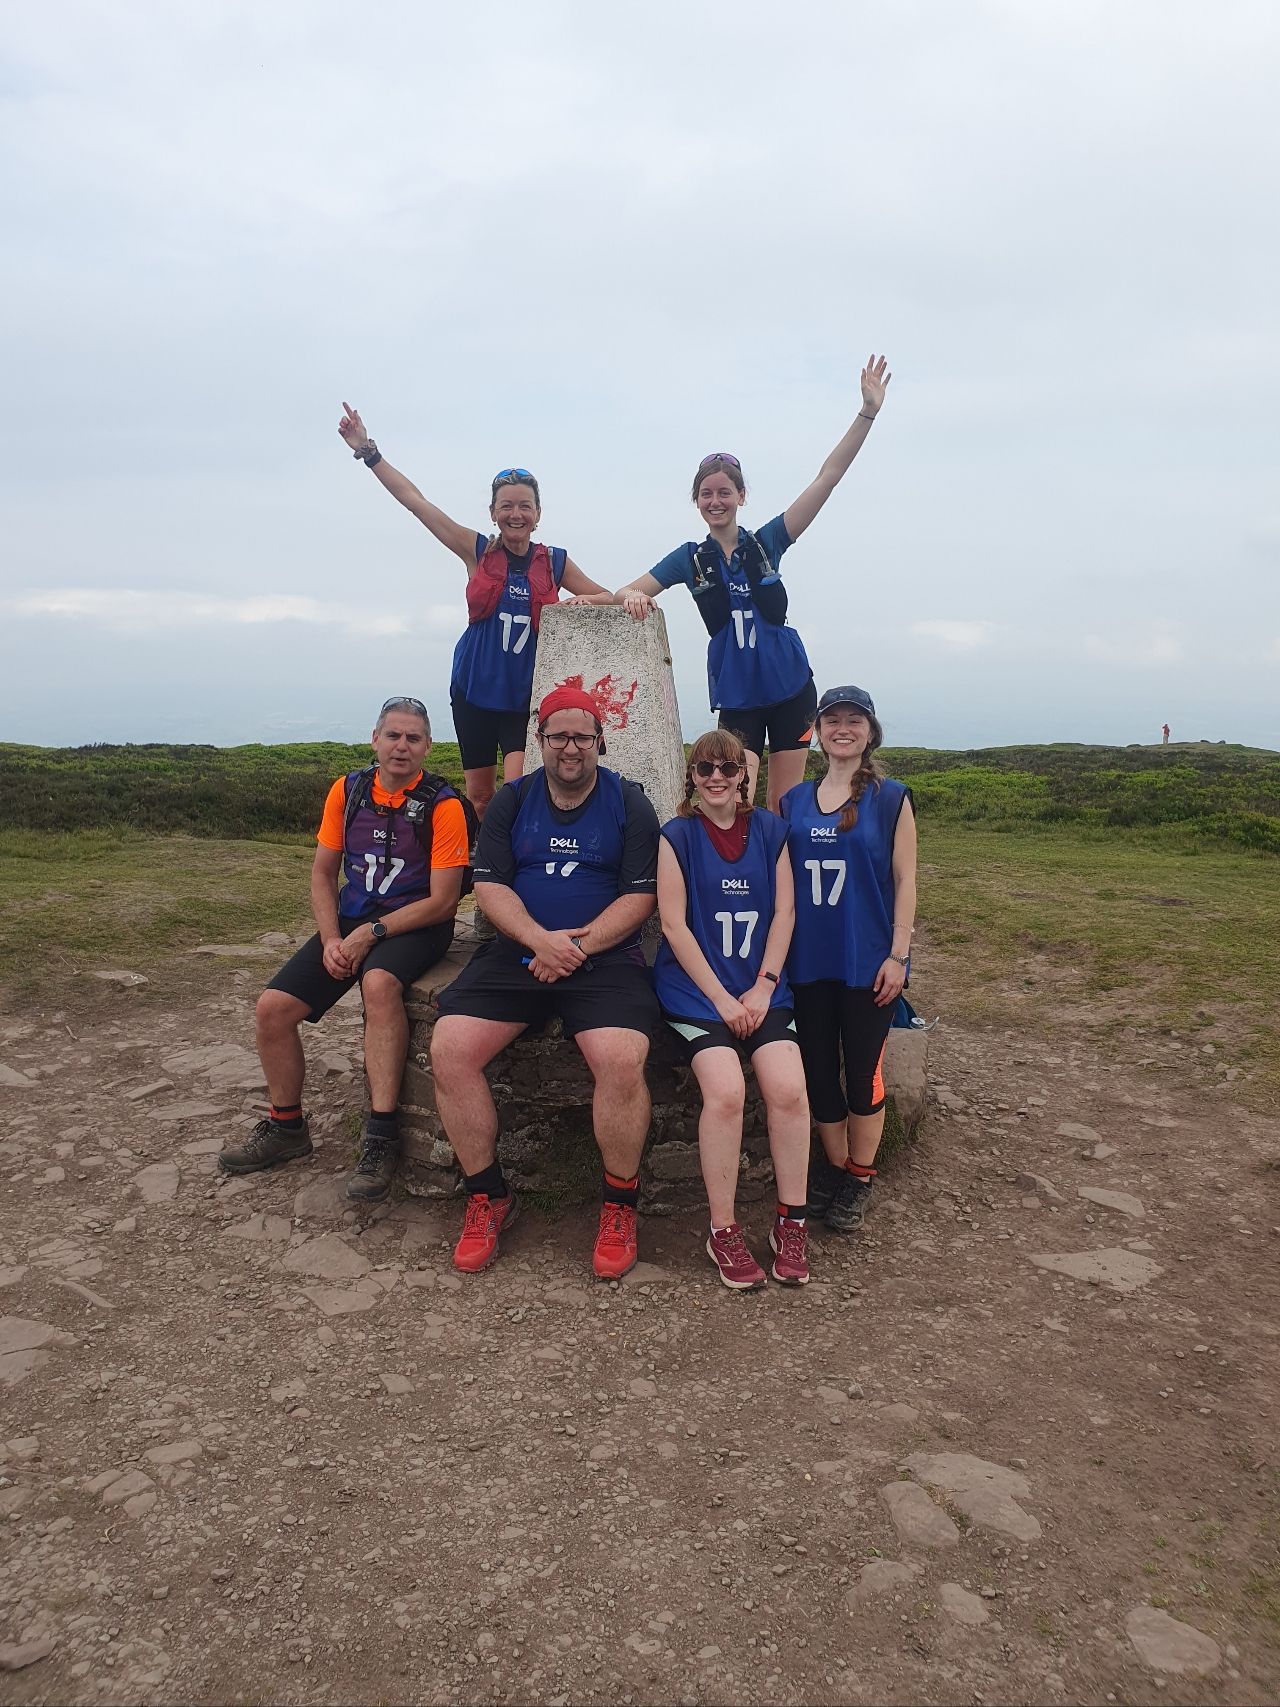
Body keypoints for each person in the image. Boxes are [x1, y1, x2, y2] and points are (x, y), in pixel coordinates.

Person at [431, 687, 661, 1279]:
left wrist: (577, 946)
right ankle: (487, 1196)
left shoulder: (629, 804)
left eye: (582, 736)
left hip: (606, 956)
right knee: (450, 1050)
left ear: (600, 741)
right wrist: (541, 941)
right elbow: (490, 886)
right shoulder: (514, 799)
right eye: (558, 736)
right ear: (540, 741)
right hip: (519, 952)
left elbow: (640, 895)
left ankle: (619, 1204)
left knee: (621, 1059)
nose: (570, 747)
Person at [613, 357, 892, 812]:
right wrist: (631, 596)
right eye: (707, 493)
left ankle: (783, 883)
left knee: (782, 806)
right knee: (732, 799)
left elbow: (828, 477)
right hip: (739, 696)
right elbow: (626, 591)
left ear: (741, 496)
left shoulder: (768, 542)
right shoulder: (689, 558)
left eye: (725, 492)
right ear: (697, 501)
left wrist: (867, 413)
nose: (716, 500)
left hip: (790, 688)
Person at [218, 697, 468, 1201]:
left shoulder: (444, 804)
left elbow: (443, 902)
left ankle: (380, 1135)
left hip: (416, 922)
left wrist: (367, 936)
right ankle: (287, 1126)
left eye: (413, 738)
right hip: (353, 916)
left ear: (428, 747)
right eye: (392, 735)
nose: (401, 746)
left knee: (378, 984)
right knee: (273, 1009)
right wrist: (332, 938)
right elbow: (323, 871)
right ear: (374, 739)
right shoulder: (349, 789)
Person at [336, 403, 615, 817]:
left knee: (518, 789)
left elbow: (607, 597)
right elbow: (417, 503)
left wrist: (584, 600)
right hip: (473, 692)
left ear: (537, 515)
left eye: (524, 506)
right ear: (493, 513)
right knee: (481, 797)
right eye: (506, 506)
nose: (515, 514)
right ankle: (487, 869)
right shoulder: (478, 551)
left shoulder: (553, 561)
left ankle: (518, 865)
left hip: (523, 697)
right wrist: (368, 452)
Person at [654, 730, 812, 1290]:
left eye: (727, 767)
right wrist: (722, 999)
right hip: (698, 993)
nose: (716, 777)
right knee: (725, 1091)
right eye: (704, 769)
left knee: (789, 1089)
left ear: (744, 774)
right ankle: (723, 1228)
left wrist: (764, 987)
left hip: (760, 987)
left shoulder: (773, 832)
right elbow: (673, 925)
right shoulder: (676, 837)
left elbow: (785, 914)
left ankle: (791, 1220)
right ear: (691, 778)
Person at [779, 685, 917, 1232]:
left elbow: (906, 879)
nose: (843, 728)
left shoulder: (891, 797)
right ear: (816, 729)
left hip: (867, 961)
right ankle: (837, 1169)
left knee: (862, 1072)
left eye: (853, 720)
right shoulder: (792, 801)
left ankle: (861, 1176)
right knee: (818, 1071)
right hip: (807, 959)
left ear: (870, 731)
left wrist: (898, 955)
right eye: (832, 719)